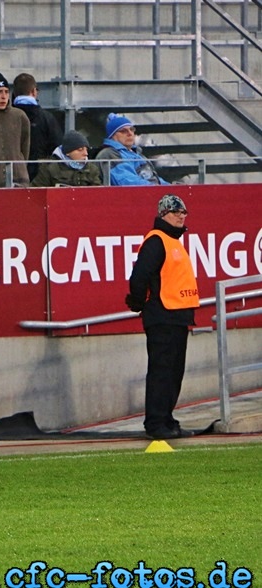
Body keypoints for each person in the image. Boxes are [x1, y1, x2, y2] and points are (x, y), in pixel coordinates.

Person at [126, 194, 199, 440]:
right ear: (163, 214)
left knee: (173, 372)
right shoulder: (157, 241)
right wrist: (137, 303)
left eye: (184, 212)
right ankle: (156, 423)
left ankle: (166, 419)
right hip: (162, 316)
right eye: (176, 212)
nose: (181, 216)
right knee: (161, 371)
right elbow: (140, 276)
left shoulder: (173, 241)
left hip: (177, 316)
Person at [12, 73, 63, 181]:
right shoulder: (47, 118)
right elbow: (58, 148)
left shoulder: (6, 118)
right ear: (34, 91)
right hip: (41, 177)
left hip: (12, 174)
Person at [95, 113, 168, 186]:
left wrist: (170, 187)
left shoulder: (137, 153)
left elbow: (154, 178)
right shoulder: (109, 154)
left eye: (131, 129)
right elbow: (127, 181)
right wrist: (156, 187)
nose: (130, 133)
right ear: (112, 136)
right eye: (123, 131)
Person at [31, 130, 103, 187]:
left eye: (86, 149)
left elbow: (97, 194)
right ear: (68, 152)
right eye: (80, 150)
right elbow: (36, 192)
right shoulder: (49, 168)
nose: (86, 153)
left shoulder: (92, 169)